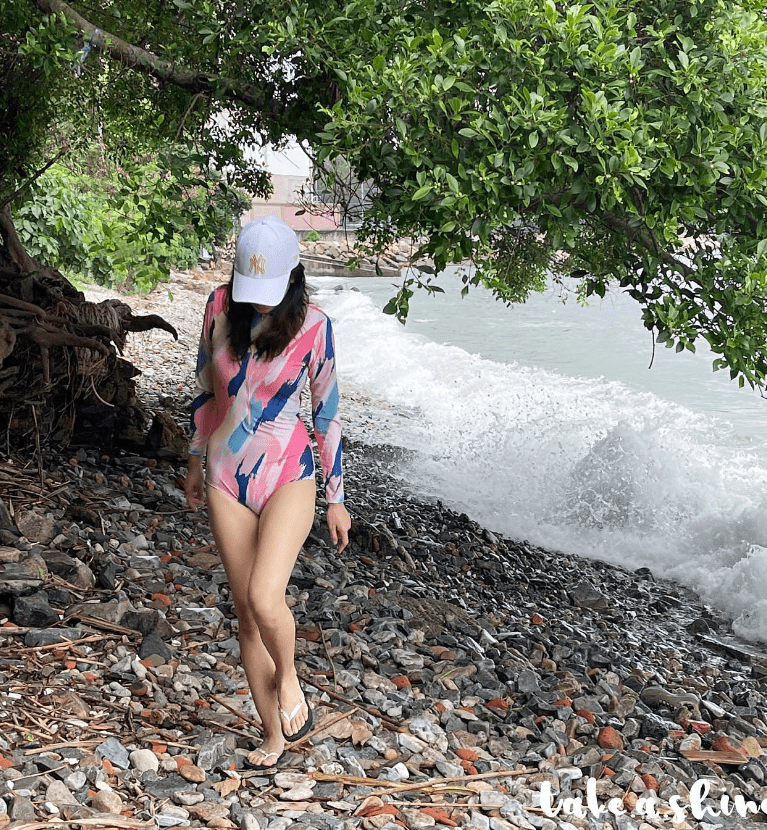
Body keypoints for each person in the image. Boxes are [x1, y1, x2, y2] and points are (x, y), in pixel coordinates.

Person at [184, 216, 351, 770]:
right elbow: (205, 389)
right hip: (225, 475)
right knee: (246, 614)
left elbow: (326, 414)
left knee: (264, 596)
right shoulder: (218, 306)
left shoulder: (315, 326)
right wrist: (193, 456)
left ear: (292, 277)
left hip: (288, 473)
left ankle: (291, 678)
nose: (256, 299)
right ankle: (274, 736)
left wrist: (336, 496)